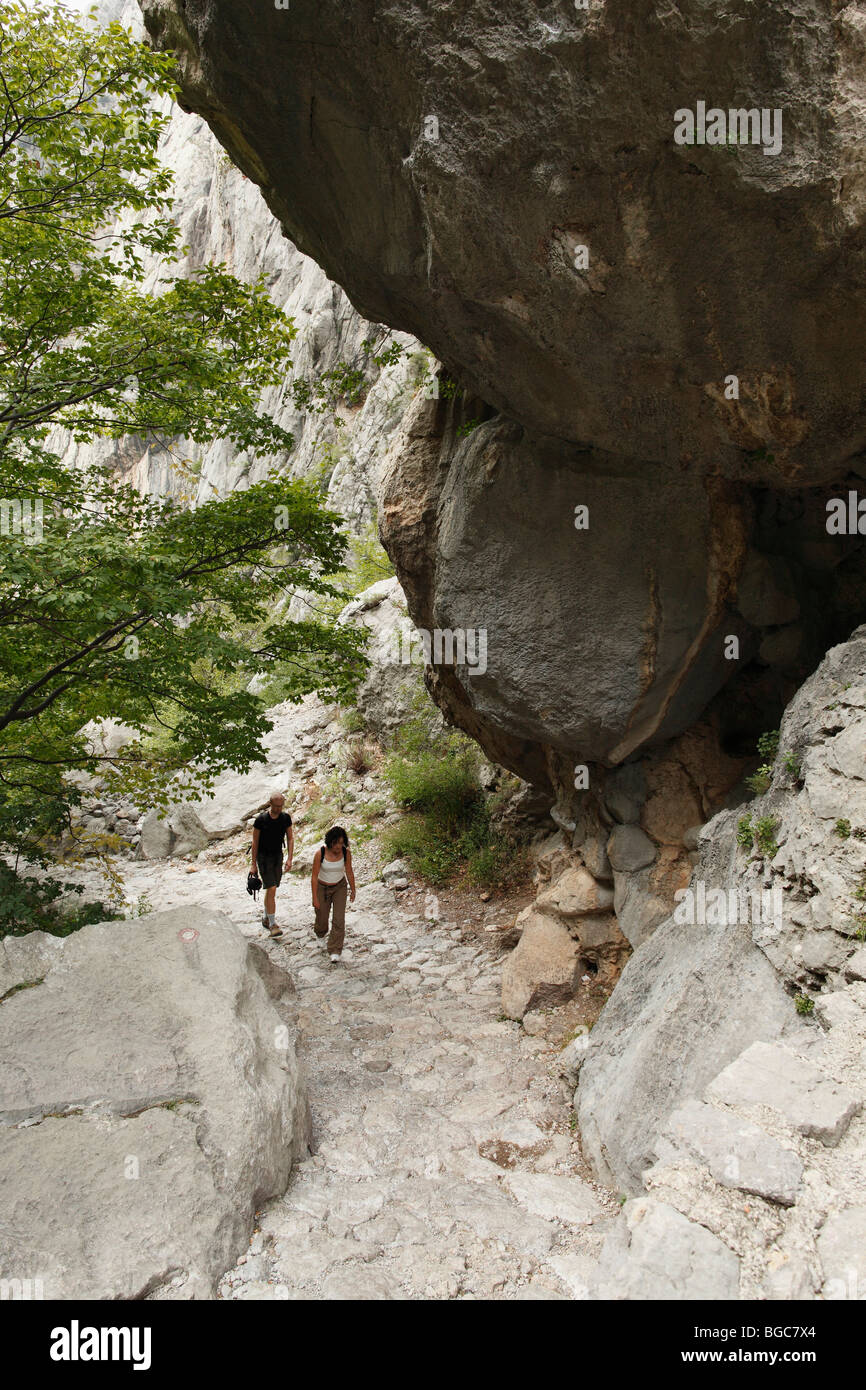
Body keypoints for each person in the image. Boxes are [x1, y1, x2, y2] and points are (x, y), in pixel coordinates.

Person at [311, 826, 356, 963]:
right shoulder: (320, 853)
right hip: (322, 887)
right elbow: (314, 876)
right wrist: (314, 897)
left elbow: (349, 871)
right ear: (330, 842)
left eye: (341, 843)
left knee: (338, 918)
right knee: (322, 916)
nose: (338, 846)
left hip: (339, 887)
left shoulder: (346, 853)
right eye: (336, 843)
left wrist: (353, 890)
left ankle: (335, 949)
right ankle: (320, 934)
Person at [251, 794, 293, 939]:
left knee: (272, 889)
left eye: (280, 806)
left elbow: (290, 837)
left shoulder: (285, 818)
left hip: (277, 856)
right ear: (270, 803)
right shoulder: (261, 820)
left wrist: (289, 858)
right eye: (276, 806)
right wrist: (253, 865)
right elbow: (255, 843)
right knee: (272, 888)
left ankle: (265, 916)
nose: (278, 809)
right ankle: (273, 924)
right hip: (263, 858)